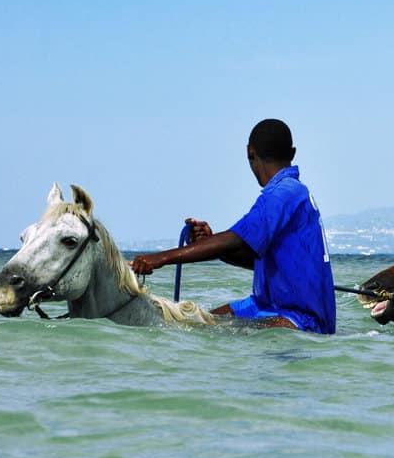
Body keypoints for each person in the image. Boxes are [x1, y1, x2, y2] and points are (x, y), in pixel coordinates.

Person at [130, 119, 336, 334]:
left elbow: (234, 239)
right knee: (198, 324)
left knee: (212, 331)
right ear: (292, 153)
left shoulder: (283, 193)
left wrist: (161, 258)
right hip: (263, 306)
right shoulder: (291, 192)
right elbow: (256, 260)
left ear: (250, 152)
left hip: (301, 318)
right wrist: (209, 242)